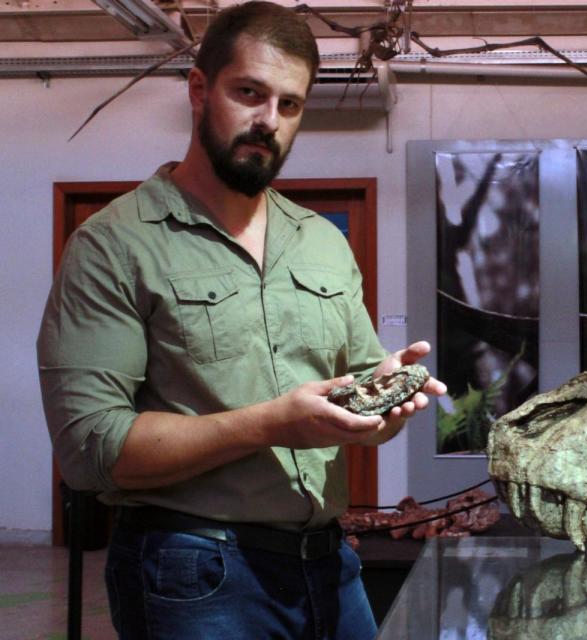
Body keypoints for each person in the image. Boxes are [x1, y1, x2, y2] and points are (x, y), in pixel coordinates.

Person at [36, 2, 445, 638]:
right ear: (199, 90)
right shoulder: (112, 244)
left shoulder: (321, 242)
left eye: (290, 105)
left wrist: (384, 406)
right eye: (248, 93)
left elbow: (357, 398)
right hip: (195, 569)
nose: (267, 122)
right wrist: (270, 424)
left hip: (329, 566)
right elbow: (90, 449)